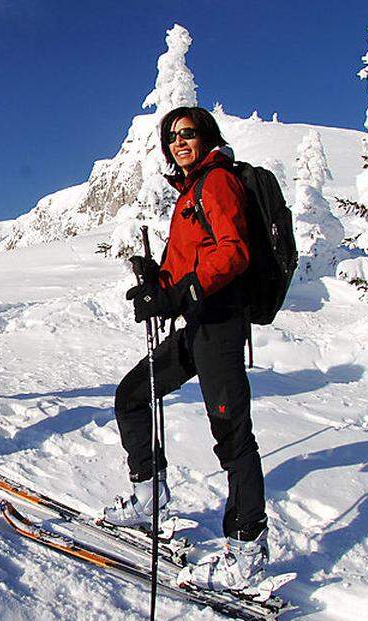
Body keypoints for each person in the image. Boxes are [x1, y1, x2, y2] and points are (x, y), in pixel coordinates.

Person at [103, 106, 268, 592]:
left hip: (219, 325)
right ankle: (150, 495)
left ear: (206, 137)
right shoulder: (192, 190)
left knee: (232, 435)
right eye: (171, 136)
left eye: (188, 133)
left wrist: (181, 293)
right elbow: (196, 258)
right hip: (198, 324)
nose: (179, 142)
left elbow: (233, 252)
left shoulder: (216, 181)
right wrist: (159, 283)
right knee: (132, 395)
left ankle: (247, 550)